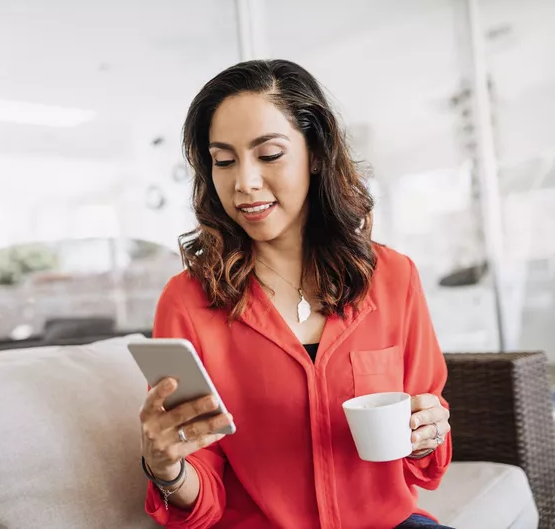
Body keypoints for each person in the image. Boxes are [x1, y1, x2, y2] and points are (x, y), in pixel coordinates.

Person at [138, 59, 452, 529]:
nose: (244, 182)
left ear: (317, 154)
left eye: (269, 155)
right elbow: (202, 497)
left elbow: (425, 460)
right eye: (224, 160)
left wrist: (428, 433)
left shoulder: (393, 277)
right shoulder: (187, 302)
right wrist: (166, 468)